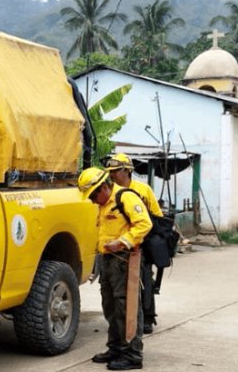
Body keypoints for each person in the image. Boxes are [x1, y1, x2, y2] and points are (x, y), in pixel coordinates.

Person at [78, 167, 152, 370]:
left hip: (125, 259)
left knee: (126, 307)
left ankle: (132, 354)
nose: (92, 200)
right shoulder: (104, 204)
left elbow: (144, 224)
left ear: (103, 187)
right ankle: (116, 347)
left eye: (93, 195)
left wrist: (122, 242)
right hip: (108, 259)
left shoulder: (125, 197)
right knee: (110, 306)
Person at [106, 153, 162, 334]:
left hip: (141, 243)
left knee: (145, 280)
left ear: (126, 171)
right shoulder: (110, 192)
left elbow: (156, 216)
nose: (112, 175)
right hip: (119, 247)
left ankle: (148, 317)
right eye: (110, 172)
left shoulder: (143, 190)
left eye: (115, 171)